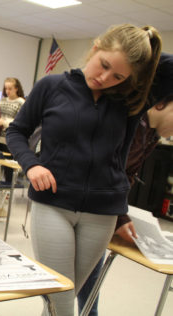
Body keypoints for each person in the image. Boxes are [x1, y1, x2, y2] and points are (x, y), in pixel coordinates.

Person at [6, 24, 162, 315]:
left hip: (102, 212)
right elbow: (17, 132)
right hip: (53, 202)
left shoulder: (129, 103)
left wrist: (148, 41)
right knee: (61, 301)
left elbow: (119, 159)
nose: (103, 79)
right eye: (103, 65)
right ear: (95, 46)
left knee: (63, 300)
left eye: (118, 76)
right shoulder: (51, 86)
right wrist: (32, 165)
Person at [78, 56, 173, 315]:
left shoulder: (149, 132)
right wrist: (119, 216)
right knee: (70, 288)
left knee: (87, 283)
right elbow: (103, 172)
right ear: (161, 103)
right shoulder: (129, 125)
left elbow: (122, 176)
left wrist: (120, 215)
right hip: (75, 210)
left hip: (97, 216)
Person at [0, 77, 25, 152]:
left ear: (16, 89)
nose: (7, 91)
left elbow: (20, 122)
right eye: (6, 88)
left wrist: (4, 122)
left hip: (11, 140)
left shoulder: (21, 102)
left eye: (10, 89)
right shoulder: (2, 101)